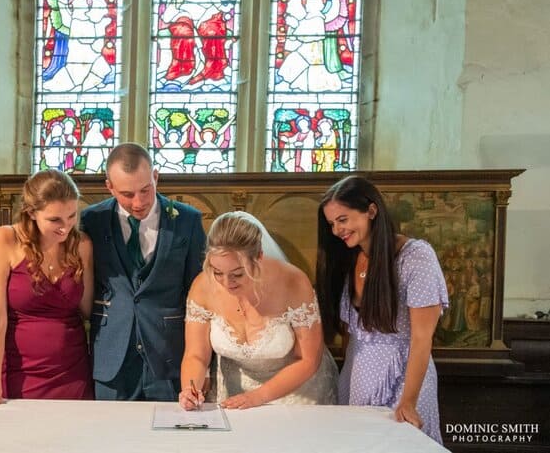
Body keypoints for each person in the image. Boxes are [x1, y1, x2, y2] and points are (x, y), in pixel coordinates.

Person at [316, 175, 448, 443]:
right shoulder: (350, 258)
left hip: (403, 377)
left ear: (371, 210)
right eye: (332, 224)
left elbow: (422, 339)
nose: (336, 230)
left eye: (343, 220)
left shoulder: (415, 257)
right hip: (358, 373)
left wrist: (408, 401)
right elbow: (352, 334)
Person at [80, 143, 206, 401]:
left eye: (146, 190)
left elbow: (198, 293)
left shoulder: (187, 221)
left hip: (168, 356)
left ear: (156, 177)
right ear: (109, 187)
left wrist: (202, 362)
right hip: (112, 356)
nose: (138, 202)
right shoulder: (91, 221)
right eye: (127, 194)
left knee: (168, 439)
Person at [179, 211, 338, 410]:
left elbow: (308, 360)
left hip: (295, 393)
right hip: (233, 393)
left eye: (237, 274)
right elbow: (196, 355)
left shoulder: (294, 283)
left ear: (259, 257)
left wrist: (258, 396)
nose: (227, 283)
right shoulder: (202, 286)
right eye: (218, 272)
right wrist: (190, 388)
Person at [0, 169, 95, 410]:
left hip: (73, 373)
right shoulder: (5, 240)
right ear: (31, 212)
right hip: (22, 372)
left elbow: (88, 311)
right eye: (55, 220)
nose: (66, 227)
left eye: (72, 216)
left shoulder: (82, 245)